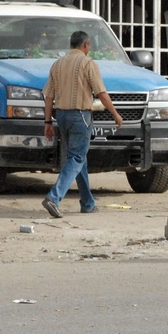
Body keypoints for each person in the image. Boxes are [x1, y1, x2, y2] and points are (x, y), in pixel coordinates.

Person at [41, 31, 123, 218]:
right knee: (77, 158)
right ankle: (54, 197)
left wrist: (47, 122)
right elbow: (101, 93)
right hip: (80, 116)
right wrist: (116, 114)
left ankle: (87, 202)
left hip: (61, 116)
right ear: (85, 45)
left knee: (78, 158)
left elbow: (49, 96)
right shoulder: (88, 63)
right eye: (90, 46)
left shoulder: (57, 64)